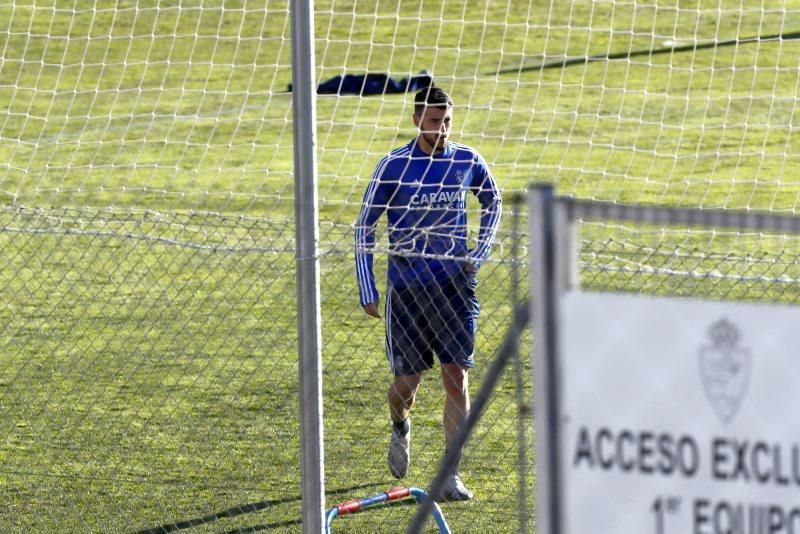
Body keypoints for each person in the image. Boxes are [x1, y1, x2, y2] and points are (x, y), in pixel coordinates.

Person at [354, 87, 502, 501]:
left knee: (457, 378)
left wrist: (479, 253)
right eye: (434, 122)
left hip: (454, 288)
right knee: (407, 384)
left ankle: (449, 473)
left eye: (447, 121)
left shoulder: (466, 160)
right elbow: (364, 226)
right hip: (407, 292)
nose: (442, 130)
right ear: (417, 120)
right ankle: (400, 425)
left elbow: (495, 201)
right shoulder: (393, 166)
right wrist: (368, 286)